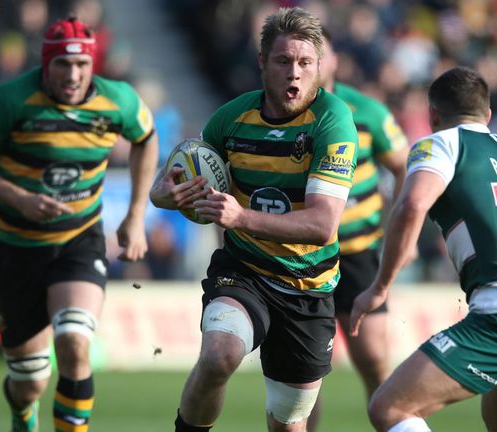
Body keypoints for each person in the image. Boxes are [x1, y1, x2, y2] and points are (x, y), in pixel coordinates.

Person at [150, 7, 357, 432]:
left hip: (308, 287)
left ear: (319, 66)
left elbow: (322, 226)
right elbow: (175, 180)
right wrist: (164, 195)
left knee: (288, 423)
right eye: (283, 61)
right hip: (245, 271)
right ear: (263, 63)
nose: (294, 74)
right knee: (219, 355)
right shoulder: (230, 120)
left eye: (305, 63)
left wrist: (240, 215)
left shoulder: (333, 123)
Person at [0, 16, 157, 432]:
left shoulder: (119, 101)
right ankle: (22, 412)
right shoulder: (10, 101)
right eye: (63, 65)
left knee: (75, 345)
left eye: (82, 66)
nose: (73, 75)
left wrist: (136, 215)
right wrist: (19, 197)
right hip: (16, 248)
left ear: (93, 66)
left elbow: (146, 139)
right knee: (30, 381)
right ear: (47, 64)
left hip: (78, 241)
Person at [350, 67, 497, 432]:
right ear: (487, 116)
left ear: (433, 116)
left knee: (390, 408)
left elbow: (411, 205)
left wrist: (379, 287)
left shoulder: (440, 143)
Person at [307, 28, 409, 432]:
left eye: (320, 54)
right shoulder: (288, 113)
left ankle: (396, 425)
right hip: (304, 256)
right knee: (304, 373)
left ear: (332, 61)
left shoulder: (367, 111)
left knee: (373, 358)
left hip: (358, 253)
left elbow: (405, 167)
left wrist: (401, 230)